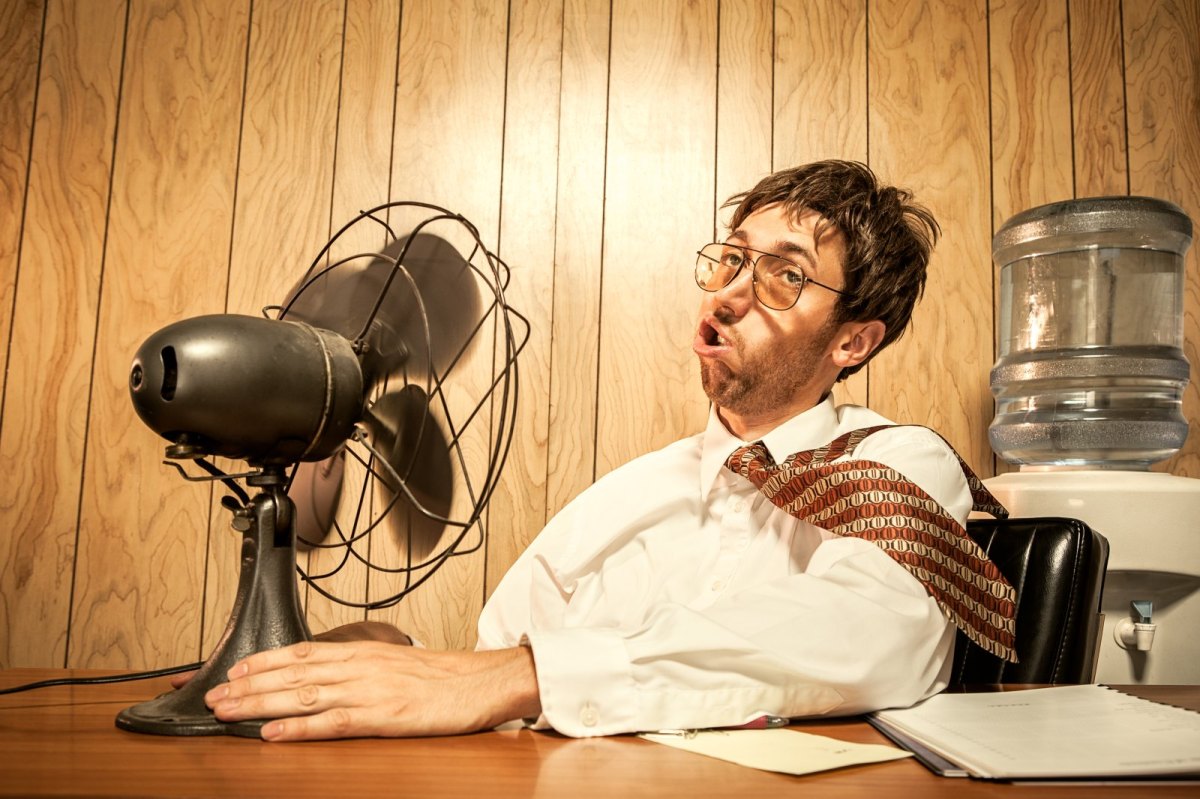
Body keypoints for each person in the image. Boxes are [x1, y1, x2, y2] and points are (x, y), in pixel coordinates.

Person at [201, 160, 1013, 741]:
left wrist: (524, 676)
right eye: (732, 259)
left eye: (782, 275)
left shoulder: (902, 464)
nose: (728, 291)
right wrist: (397, 656)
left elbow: (864, 635)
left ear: (853, 341)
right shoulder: (626, 496)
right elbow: (493, 667)